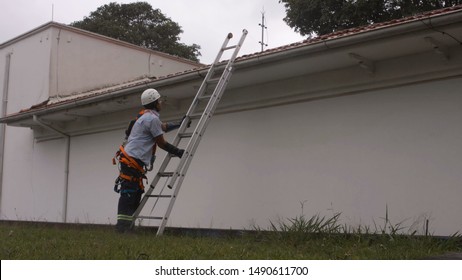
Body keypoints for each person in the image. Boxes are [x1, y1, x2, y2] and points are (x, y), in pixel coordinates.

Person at [114, 88, 185, 233]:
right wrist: (179, 152)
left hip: (132, 160)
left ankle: (127, 228)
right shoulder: (151, 119)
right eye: (158, 100)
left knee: (135, 192)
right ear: (154, 103)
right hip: (132, 160)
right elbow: (161, 143)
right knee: (129, 192)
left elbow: (162, 127)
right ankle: (121, 229)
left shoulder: (147, 117)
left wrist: (179, 123)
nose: (161, 103)